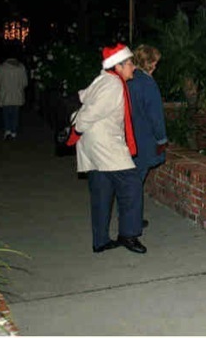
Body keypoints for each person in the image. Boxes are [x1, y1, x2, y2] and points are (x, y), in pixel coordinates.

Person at [66, 43, 146, 254]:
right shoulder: (113, 85)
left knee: (101, 192)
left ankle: (100, 240)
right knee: (132, 185)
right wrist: (78, 126)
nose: (134, 68)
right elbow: (90, 112)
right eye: (130, 63)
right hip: (106, 145)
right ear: (118, 66)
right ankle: (128, 234)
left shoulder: (104, 80)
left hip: (94, 145)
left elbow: (84, 97)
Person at [129, 44, 168, 228]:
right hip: (143, 138)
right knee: (137, 181)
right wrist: (162, 139)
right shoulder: (147, 83)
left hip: (128, 137)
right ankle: (132, 221)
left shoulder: (129, 79)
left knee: (130, 179)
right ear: (150, 62)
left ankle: (129, 217)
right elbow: (155, 115)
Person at [0, 46, 29, 139]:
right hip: (17, 94)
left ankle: (7, 130)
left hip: (5, 94)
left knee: (6, 114)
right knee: (15, 114)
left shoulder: (2, 67)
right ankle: (14, 131)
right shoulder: (21, 67)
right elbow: (25, 83)